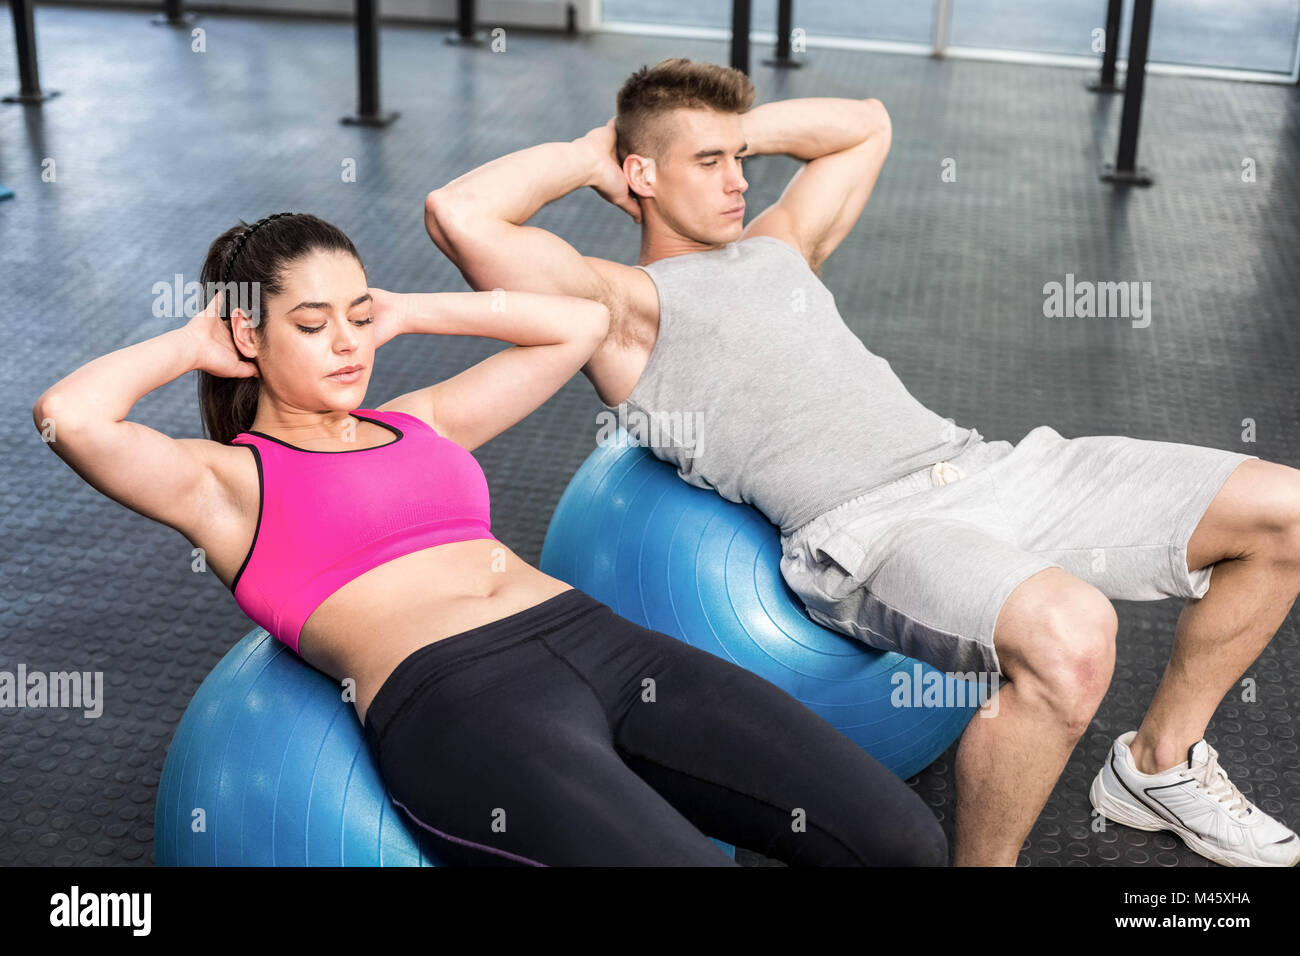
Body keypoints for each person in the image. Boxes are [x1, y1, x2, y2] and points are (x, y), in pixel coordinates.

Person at [421, 57, 1300, 867]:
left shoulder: (779, 242)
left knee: (1284, 509)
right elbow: (458, 215)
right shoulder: (619, 306)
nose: (737, 181)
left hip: (987, 467)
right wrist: (593, 152)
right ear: (639, 175)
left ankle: (1157, 765)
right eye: (706, 164)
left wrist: (728, 134)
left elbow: (864, 124)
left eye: (742, 160)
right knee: (1073, 638)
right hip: (873, 530)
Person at [32, 211, 948, 867]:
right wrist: (197, 340)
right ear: (250, 336)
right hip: (462, 705)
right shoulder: (227, 482)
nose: (349, 342)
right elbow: (68, 416)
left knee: (901, 837)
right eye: (312, 325)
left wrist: (413, 309)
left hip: (604, 645)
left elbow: (577, 324)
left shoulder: (418, 420)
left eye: (359, 313)